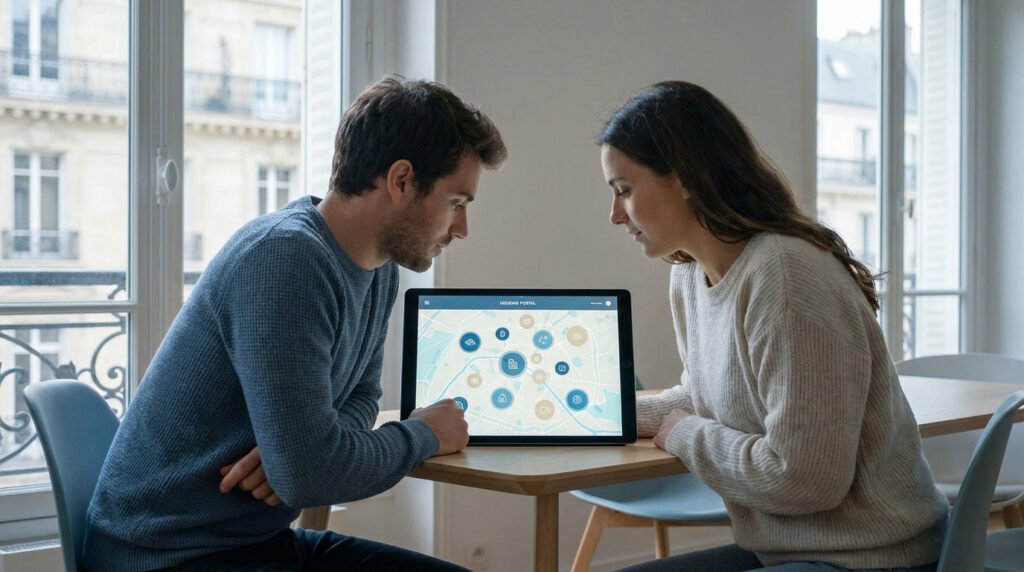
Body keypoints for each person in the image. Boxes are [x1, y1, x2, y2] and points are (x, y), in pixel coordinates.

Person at [82, 76, 507, 572]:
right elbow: (308, 477)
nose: (461, 228)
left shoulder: (379, 267)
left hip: (254, 546)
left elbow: (359, 399)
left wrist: (304, 453)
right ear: (402, 181)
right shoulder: (286, 259)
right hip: (167, 557)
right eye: (457, 203)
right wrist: (424, 434)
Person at [599, 81, 948, 572]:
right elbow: (709, 397)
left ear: (684, 178)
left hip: (871, 559)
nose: (615, 215)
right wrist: (608, 413)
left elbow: (805, 479)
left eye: (624, 191)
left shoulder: (786, 277)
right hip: (783, 552)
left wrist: (681, 433)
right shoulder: (689, 275)